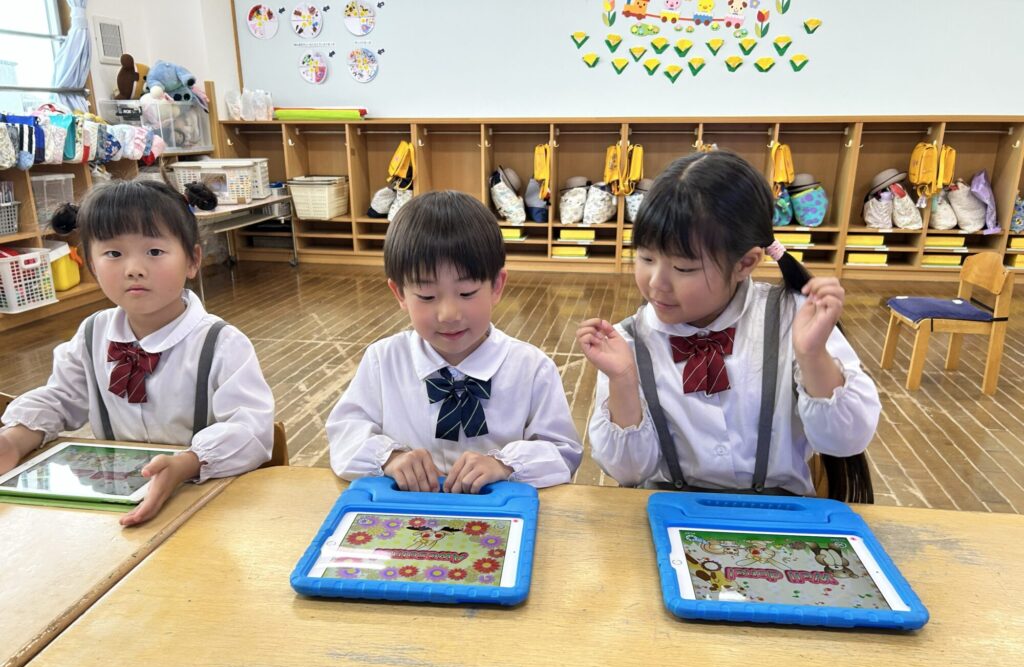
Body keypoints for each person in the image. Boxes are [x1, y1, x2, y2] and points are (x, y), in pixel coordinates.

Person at [577, 150, 880, 501]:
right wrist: (624, 381)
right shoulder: (627, 341)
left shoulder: (795, 317)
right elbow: (628, 472)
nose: (656, 283)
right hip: (671, 515)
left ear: (746, 263)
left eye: (684, 268)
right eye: (645, 258)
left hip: (780, 518)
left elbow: (847, 441)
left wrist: (812, 357)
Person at [0, 178, 275, 525]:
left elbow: (252, 430)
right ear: (90, 263)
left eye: (154, 252)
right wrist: (13, 441)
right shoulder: (92, 334)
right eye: (113, 253)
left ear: (192, 260)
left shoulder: (221, 343)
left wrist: (187, 463)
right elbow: (59, 399)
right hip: (117, 504)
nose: (134, 268)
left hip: (206, 498)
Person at [327, 190, 582, 493]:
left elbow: (564, 453)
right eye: (426, 296)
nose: (448, 314)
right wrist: (390, 458)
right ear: (399, 294)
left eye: (467, 293)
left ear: (496, 286)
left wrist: (505, 464)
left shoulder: (532, 368)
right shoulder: (384, 360)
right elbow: (345, 433)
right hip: (409, 516)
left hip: (500, 517)